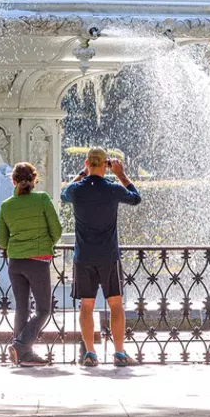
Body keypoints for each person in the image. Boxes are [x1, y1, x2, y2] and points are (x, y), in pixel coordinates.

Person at [61, 147, 141, 367]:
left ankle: (90, 353)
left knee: (86, 306)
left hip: (83, 256)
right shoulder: (113, 189)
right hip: (108, 255)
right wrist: (121, 175)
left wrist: (81, 173)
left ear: (87, 163)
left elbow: (63, 194)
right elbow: (136, 199)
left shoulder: (77, 190)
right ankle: (119, 353)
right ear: (106, 165)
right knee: (116, 304)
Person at [0, 160, 61, 366]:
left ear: (13, 181)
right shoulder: (42, 199)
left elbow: (1, 240)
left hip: (15, 262)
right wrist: (46, 244)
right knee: (43, 309)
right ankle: (21, 346)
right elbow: (57, 230)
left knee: (21, 308)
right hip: (38, 261)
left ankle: (22, 355)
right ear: (34, 179)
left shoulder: (6, 205)